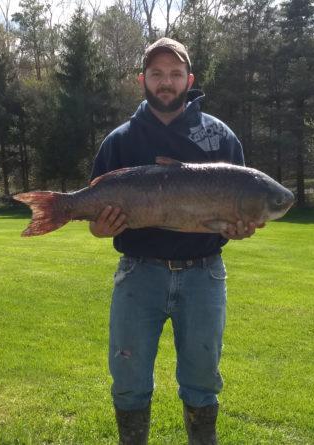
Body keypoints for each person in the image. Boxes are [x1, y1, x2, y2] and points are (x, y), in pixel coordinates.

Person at [89, 37, 262, 445]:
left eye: (174, 74)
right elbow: (95, 218)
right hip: (138, 275)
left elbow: (237, 209)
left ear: (190, 79)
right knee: (129, 379)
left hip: (204, 277)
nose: (166, 82)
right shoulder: (120, 141)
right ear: (142, 79)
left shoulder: (220, 137)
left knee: (202, 379)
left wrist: (238, 229)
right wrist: (100, 227)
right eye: (157, 74)